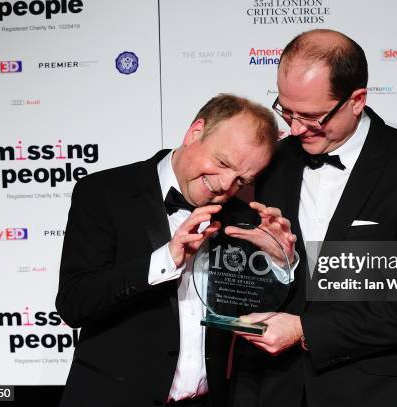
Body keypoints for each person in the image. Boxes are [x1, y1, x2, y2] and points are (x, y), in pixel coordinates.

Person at [231, 29, 397, 407]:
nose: (294, 128)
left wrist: (305, 330)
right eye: (286, 110)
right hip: (274, 389)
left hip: (377, 392)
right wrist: (273, 260)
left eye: (311, 116)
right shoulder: (272, 161)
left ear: (357, 100)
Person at [56, 94, 296, 407]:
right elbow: (75, 304)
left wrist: (280, 260)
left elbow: (253, 318)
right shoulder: (104, 192)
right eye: (222, 162)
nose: (225, 184)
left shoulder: (243, 219)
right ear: (195, 131)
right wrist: (166, 259)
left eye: (242, 179)